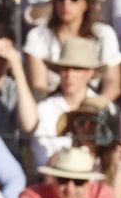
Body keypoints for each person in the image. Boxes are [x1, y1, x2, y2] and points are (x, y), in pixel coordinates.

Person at [25, 0, 121, 101]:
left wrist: (94, 109)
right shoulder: (38, 36)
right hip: (52, 106)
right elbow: (39, 87)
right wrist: (56, 109)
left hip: (95, 107)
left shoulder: (104, 34)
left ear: (86, 4)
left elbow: (113, 85)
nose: (66, 3)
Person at [34, 36, 113, 166]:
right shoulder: (43, 110)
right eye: (65, 68)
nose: (69, 74)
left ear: (90, 72)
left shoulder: (106, 107)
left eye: (77, 68)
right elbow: (42, 162)